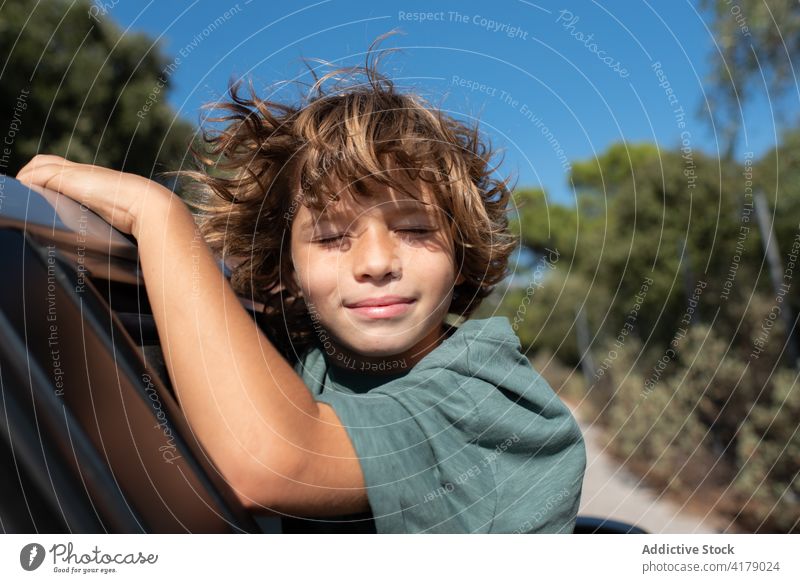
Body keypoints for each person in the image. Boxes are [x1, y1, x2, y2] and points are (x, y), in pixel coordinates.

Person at [15, 33, 586, 533]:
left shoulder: (490, 395)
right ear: (288, 268)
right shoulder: (306, 359)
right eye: (333, 237)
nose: (377, 261)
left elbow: (274, 460)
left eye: (414, 230)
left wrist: (158, 215)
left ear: (460, 257)